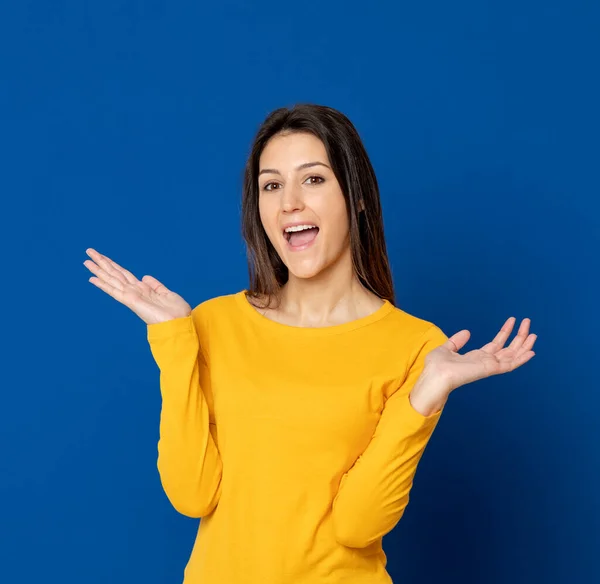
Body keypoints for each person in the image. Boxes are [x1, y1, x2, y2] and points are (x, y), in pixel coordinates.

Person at [83, 103, 537, 583]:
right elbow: (191, 495)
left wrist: (428, 392)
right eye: (272, 185)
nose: (289, 203)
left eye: (313, 179)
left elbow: (358, 524)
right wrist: (174, 339)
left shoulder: (416, 346)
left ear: (356, 196)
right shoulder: (212, 323)